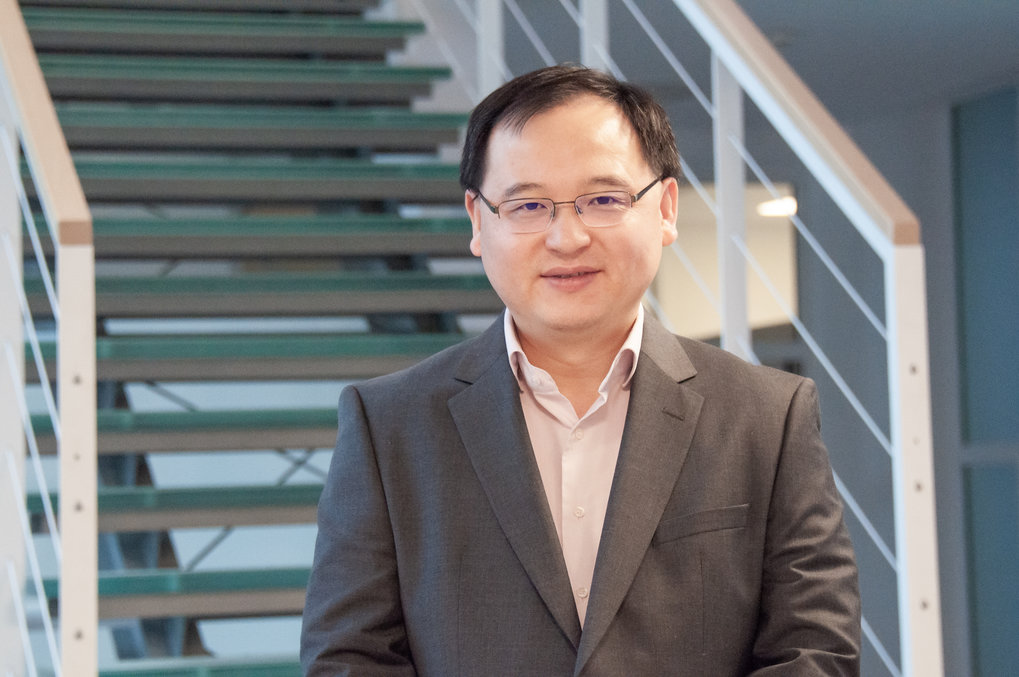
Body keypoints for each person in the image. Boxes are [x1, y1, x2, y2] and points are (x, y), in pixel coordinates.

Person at [301, 64, 860, 676]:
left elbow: (816, 654)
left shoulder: (768, 418)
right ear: (478, 222)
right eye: (529, 204)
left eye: (602, 199)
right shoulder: (388, 427)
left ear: (666, 207)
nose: (567, 238)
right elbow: (349, 661)